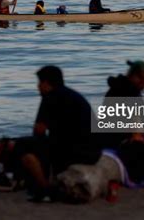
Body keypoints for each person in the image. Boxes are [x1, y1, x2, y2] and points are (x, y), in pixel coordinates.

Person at [21, 66, 101, 199]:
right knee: (48, 143)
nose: (38, 87)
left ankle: (44, 187)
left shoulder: (49, 97)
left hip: (74, 151)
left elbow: (38, 130)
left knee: (26, 146)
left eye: (40, 83)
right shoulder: (73, 96)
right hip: (94, 152)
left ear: (46, 83)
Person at [96, 60, 144, 150]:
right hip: (118, 139)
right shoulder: (130, 93)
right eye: (143, 79)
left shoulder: (117, 86)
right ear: (133, 76)